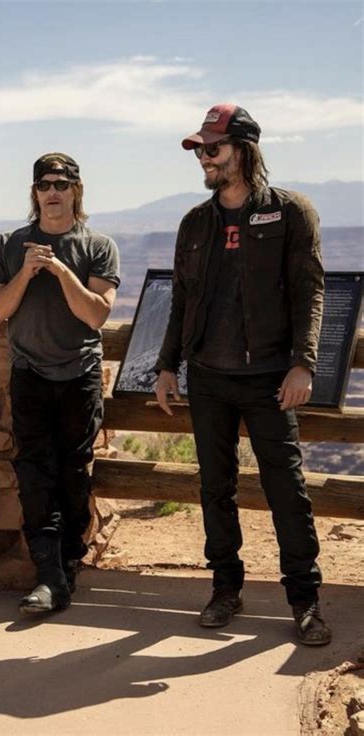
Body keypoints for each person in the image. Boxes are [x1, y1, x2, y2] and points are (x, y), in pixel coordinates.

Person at [155, 104, 331, 645]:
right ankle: (225, 588)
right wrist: (166, 365)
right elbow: (182, 298)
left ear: (243, 150)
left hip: (270, 378)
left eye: (212, 149)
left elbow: (310, 290)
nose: (203, 159)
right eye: (200, 150)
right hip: (208, 375)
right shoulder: (195, 223)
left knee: (287, 491)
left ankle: (304, 601)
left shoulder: (289, 212)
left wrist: (304, 362)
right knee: (215, 488)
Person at [0, 152, 120, 614]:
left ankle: (65, 569)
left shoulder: (98, 245)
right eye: (45, 185)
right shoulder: (9, 244)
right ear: (35, 193)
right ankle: (49, 576)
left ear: (76, 191)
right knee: (34, 473)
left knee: (73, 475)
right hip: (29, 376)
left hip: (79, 375)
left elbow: (96, 315)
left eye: (62, 184)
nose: (53, 192)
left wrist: (61, 270)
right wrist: (26, 271)